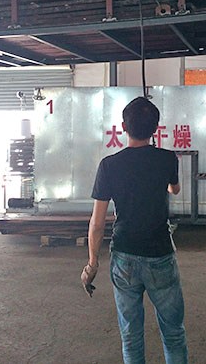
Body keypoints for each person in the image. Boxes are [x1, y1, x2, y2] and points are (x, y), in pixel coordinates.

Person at [80, 96, 189, 364]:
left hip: (124, 257)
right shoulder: (167, 159)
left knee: (131, 336)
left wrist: (92, 264)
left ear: (123, 127)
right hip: (160, 255)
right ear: (155, 129)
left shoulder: (109, 165)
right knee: (173, 333)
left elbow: (97, 223)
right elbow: (174, 189)